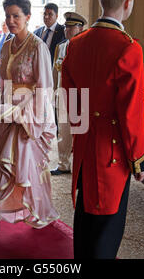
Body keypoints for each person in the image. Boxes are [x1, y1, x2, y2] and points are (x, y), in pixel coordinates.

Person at [62, 0, 144, 259]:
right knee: (106, 231)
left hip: (86, 147)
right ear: (128, 3)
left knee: (85, 224)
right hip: (112, 153)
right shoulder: (128, 48)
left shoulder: (75, 44)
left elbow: (71, 103)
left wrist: (81, 133)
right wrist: (139, 160)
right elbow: (131, 112)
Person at [0, 0, 59, 237]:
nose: (11, 20)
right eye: (8, 16)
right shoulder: (5, 45)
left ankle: (37, 210)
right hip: (8, 117)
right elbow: (5, 85)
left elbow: (45, 88)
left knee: (24, 168)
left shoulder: (39, 47)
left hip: (28, 120)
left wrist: (32, 120)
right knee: (1, 166)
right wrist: (0, 105)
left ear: (28, 17)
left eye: (16, 16)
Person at [50, 11, 87, 176]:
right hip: (63, 96)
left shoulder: (87, 47)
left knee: (80, 132)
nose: (67, 30)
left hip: (81, 97)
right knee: (63, 131)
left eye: (71, 27)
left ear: (80, 28)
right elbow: (54, 73)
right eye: (66, 27)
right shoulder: (61, 47)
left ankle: (80, 166)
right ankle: (63, 164)